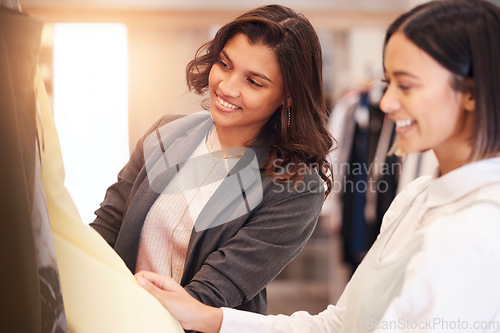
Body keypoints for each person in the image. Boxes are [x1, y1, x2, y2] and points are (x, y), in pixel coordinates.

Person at [135, 0, 500, 332]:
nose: (385, 103)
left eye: (406, 85)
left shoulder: (479, 233)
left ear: (470, 92)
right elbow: (343, 323)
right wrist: (210, 318)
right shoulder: (416, 198)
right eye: (389, 83)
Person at [90, 4, 333, 316]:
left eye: (254, 82)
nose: (227, 87)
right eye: (226, 65)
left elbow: (212, 293)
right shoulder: (166, 134)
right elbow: (106, 229)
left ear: (288, 95)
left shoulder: (294, 185)